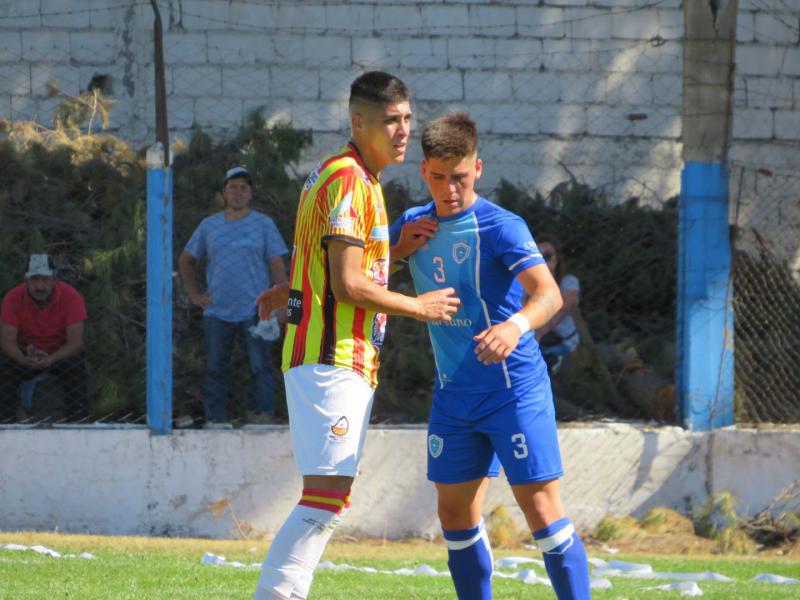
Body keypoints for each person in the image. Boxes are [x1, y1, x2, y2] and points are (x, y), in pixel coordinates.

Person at [251, 71, 460, 600]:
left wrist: (394, 253)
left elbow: (325, 262)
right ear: (358, 122)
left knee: (329, 499)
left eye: (407, 119)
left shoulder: (354, 178)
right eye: (391, 120)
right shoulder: (348, 180)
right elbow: (347, 285)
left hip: (340, 358)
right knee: (323, 500)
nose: (403, 131)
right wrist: (417, 305)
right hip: (331, 357)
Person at [389, 111, 591, 599]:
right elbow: (361, 273)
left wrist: (514, 325)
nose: (449, 189)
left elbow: (548, 295)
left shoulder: (502, 226)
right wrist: (396, 249)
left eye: (459, 177)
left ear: (477, 169)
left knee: (542, 513)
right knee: (454, 515)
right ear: (423, 172)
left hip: (512, 390)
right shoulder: (413, 224)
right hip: (454, 396)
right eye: (438, 177)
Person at [179, 166, 289, 428]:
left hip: (256, 310)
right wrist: (194, 294)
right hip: (217, 310)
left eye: (244, 187)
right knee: (216, 367)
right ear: (223, 193)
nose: (238, 192)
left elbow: (276, 264)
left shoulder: (264, 224)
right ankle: (215, 418)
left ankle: (264, 416)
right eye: (232, 187)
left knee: (259, 366)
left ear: (250, 194)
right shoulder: (209, 226)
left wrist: (282, 303)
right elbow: (186, 260)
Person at [0, 254, 89, 421]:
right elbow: (7, 341)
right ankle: (6, 425)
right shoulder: (12, 298)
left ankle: (78, 424)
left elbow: (76, 343)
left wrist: (52, 358)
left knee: (77, 369)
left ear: (54, 279)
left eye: (45, 280)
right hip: (25, 355)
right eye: (34, 280)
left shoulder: (72, 297)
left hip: (60, 354)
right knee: (4, 369)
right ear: (26, 280)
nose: (39, 286)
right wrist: (22, 358)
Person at [534, 234, 581, 376]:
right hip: (538, 341)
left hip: (563, 342)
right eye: (538, 256)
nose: (543, 261)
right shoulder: (527, 285)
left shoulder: (568, 282)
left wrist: (539, 333)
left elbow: (561, 310)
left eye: (547, 256)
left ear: (557, 258)